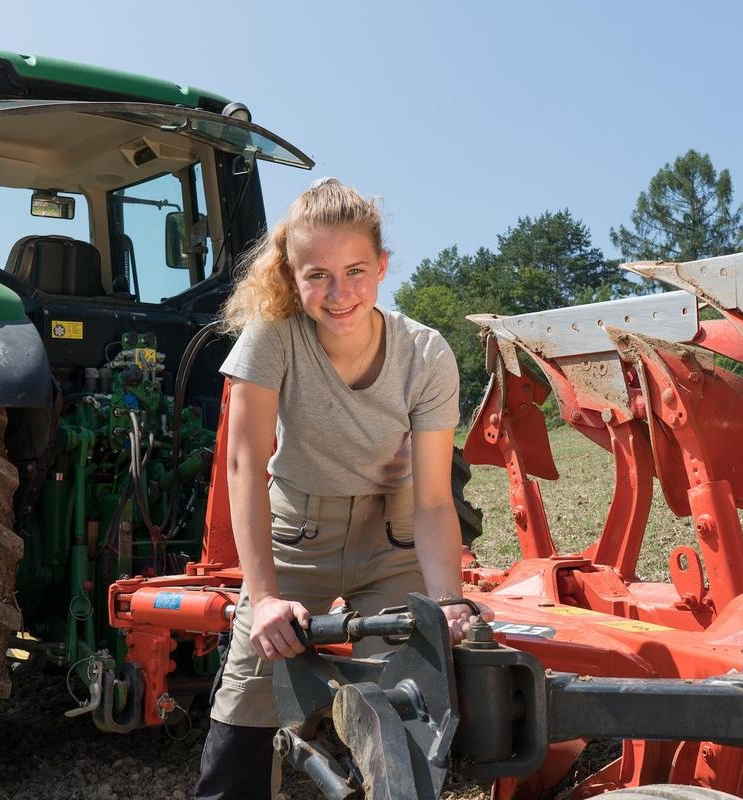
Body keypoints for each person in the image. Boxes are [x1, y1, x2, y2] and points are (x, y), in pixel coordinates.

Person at [194, 178, 492, 800]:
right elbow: (245, 465)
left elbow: (436, 498)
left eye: (356, 270)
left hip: (394, 535)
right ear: (291, 277)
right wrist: (266, 598)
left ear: (383, 266)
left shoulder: (426, 354)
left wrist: (447, 602)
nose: (339, 293)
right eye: (317, 275)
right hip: (298, 533)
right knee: (249, 693)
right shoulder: (274, 338)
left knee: (408, 695)